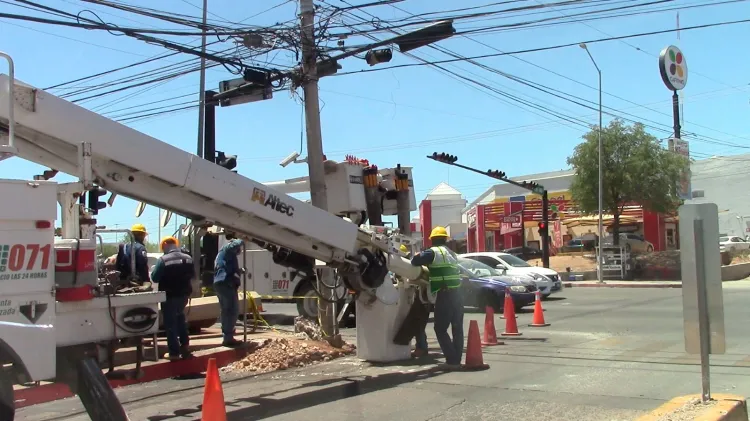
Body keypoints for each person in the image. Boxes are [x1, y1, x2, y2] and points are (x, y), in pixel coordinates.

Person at [410, 227, 464, 370]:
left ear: (432, 240)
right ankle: (457, 359)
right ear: (445, 239)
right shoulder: (452, 254)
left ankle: (451, 360)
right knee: (457, 328)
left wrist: (417, 255)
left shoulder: (432, 252)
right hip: (458, 294)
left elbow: (414, 261)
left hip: (445, 295)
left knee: (440, 328)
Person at [150, 237, 195, 361]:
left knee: (170, 324)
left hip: (169, 296)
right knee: (180, 319)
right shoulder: (188, 258)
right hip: (184, 295)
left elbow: (155, 278)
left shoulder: (163, 260)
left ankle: (174, 353)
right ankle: (185, 346)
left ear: (164, 245)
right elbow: (192, 275)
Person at [213, 238, 245, 347]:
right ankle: (228, 337)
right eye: (238, 249)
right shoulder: (227, 249)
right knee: (232, 310)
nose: (239, 250)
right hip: (226, 283)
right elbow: (232, 245)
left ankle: (227, 336)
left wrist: (239, 271)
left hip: (221, 283)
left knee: (226, 311)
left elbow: (226, 268)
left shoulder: (223, 255)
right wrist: (242, 239)